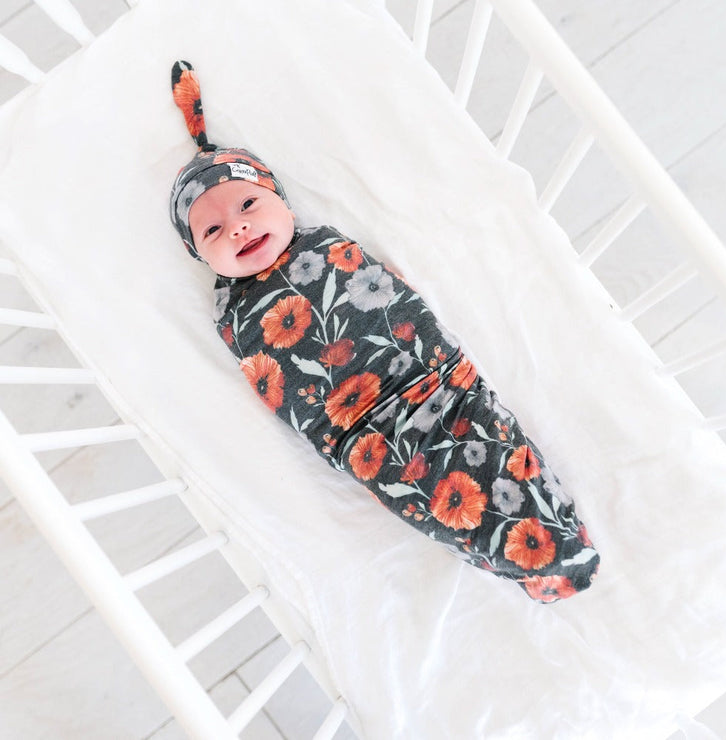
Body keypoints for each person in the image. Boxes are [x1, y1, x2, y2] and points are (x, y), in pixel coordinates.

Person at [169, 60, 599, 602]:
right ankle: (533, 566)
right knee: (435, 499)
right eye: (212, 230)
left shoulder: (325, 245)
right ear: (199, 255)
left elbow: (396, 295)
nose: (237, 226)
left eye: (248, 204)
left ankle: (557, 539)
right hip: (362, 438)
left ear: (281, 200)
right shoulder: (232, 314)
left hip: (436, 381)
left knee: (495, 450)